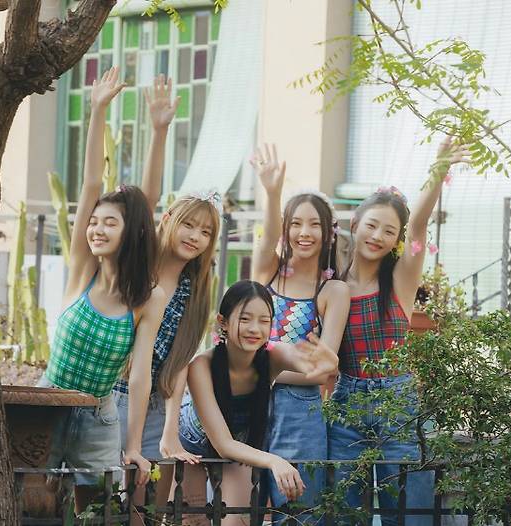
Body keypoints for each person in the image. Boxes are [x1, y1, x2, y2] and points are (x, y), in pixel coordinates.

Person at [39, 66, 165, 512]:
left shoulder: (146, 298)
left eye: (109, 223)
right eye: (94, 221)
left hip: (99, 417)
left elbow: (140, 374)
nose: (96, 228)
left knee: (95, 514)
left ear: (131, 233)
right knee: (34, 508)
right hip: (47, 405)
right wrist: (96, 111)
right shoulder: (82, 268)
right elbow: (91, 184)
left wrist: (134, 445)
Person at [328, 137, 471, 525]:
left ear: (397, 240)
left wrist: (439, 169)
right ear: (355, 225)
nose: (377, 236)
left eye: (388, 231)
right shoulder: (333, 285)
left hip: (399, 402)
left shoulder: (401, 279)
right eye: (371, 225)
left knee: (408, 512)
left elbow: (420, 223)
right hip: (347, 401)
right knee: (345, 511)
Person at [111, 75, 222, 520]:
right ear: (170, 219)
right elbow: (147, 196)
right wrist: (160, 131)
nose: (195, 236)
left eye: (206, 232)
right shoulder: (142, 265)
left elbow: (178, 365)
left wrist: (170, 430)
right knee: (102, 501)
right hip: (113, 392)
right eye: (188, 224)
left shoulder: (196, 292)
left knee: (147, 508)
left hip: (155, 402)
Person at [177, 280, 339, 526]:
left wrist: (328, 361)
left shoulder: (273, 356)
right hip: (193, 444)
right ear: (223, 322)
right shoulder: (202, 366)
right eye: (245, 319)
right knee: (193, 522)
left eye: (264, 321)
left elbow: (316, 364)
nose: (255, 329)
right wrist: (275, 460)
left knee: (236, 522)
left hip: (239, 442)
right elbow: (222, 444)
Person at [251, 144, 350, 522]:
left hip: (299, 410)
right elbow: (266, 240)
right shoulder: (269, 271)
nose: (304, 233)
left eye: (314, 224)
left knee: (298, 511)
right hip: (248, 401)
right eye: (295, 223)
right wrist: (272, 192)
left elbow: (322, 369)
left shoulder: (333, 291)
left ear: (328, 233)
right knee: (238, 507)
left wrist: (267, 371)